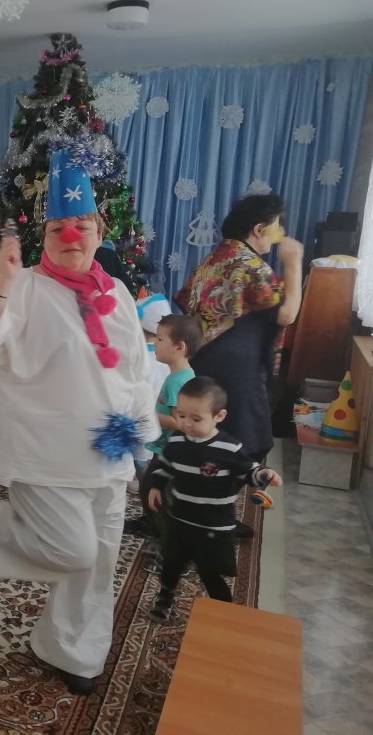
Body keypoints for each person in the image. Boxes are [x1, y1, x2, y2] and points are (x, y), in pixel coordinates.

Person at [0, 148, 159, 695]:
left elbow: (136, 370)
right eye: (59, 227)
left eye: (82, 226)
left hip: (110, 453)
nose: (71, 236)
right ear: (44, 236)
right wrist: (2, 283)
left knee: (98, 561)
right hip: (48, 454)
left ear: (99, 231)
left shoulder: (115, 292)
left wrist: (142, 440)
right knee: (72, 550)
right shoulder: (24, 289)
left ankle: (72, 650)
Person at [175, 194, 303, 465]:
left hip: (202, 360)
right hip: (238, 367)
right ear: (259, 229)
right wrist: (293, 264)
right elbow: (287, 315)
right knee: (243, 444)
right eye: (276, 227)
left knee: (207, 433)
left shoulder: (212, 260)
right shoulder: (250, 264)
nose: (278, 236)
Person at [147, 377, 283, 622]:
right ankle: (165, 595)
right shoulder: (176, 441)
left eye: (196, 419)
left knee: (210, 571)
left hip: (214, 526)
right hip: (180, 521)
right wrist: (156, 486)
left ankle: (224, 611)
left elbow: (249, 471)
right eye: (181, 415)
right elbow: (165, 466)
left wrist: (265, 474)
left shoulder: (229, 448)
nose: (186, 423)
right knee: (171, 564)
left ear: (219, 416)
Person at [125, 315, 204, 552]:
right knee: (148, 487)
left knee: (156, 492)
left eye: (160, 339)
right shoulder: (179, 375)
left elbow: (180, 422)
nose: (155, 343)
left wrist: (147, 414)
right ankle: (152, 525)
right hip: (165, 448)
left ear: (179, 348)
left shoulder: (177, 382)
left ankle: (166, 543)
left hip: (170, 452)